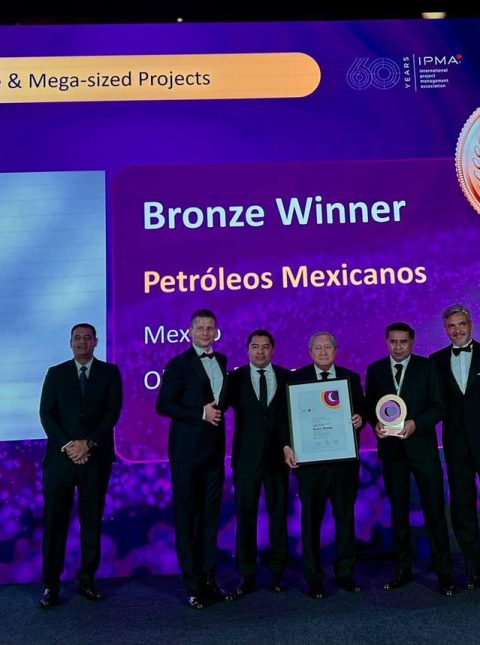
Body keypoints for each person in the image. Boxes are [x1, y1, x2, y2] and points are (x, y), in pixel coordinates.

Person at [365, 321, 455, 595]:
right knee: (398, 513)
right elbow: (370, 407)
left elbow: (440, 407)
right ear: (386, 341)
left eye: (403, 341)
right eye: (393, 341)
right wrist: (375, 424)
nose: (398, 347)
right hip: (392, 453)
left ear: (412, 342)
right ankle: (402, 571)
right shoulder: (375, 370)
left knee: (435, 511)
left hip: (423, 450)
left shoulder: (428, 368)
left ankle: (444, 574)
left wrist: (416, 423)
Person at [39, 323, 123, 608]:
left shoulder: (110, 373)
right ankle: (51, 586)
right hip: (60, 461)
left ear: (96, 342)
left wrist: (88, 444)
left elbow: (112, 413)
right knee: (55, 523)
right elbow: (46, 414)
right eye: (77, 338)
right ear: (70, 342)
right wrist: (70, 446)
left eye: (87, 338)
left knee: (91, 521)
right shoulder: (56, 373)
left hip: (95, 459)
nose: (82, 342)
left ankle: (87, 581)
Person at [156, 309, 232, 609]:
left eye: (210, 328)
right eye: (200, 328)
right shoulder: (178, 364)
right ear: (190, 331)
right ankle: (192, 586)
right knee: (187, 519)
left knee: (211, 519)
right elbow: (164, 405)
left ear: (216, 331)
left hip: (214, 453)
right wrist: (200, 413)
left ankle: (209, 579)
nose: (205, 333)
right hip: (186, 454)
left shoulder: (223, 361)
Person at [284, 332, 365, 599]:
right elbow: (285, 419)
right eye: (317, 348)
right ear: (310, 352)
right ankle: (314, 578)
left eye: (327, 347)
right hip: (310, 466)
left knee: (345, 519)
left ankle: (345, 573)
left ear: (335, 350)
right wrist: (286, 446)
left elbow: (362, 411)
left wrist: (360, 419)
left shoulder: (351, 378)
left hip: (343, 464)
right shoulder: (296, 379)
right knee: (310, 522)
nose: (322, 352)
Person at [227, 329, 290, 596]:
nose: (260, 351)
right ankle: (247, 574)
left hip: (278, 458)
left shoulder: (287, 377)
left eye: (265, 346)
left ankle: (278, 573)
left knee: (278, 516)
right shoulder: (235, 378)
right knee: (245, 517)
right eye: (255, 346)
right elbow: (217, 405)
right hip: (246, 459)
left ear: (273, 349)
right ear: (248, 350)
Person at [430, 304, 480, 589]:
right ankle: (475, 569)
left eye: (461, 324)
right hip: (455, 445)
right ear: (445, 329)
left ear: (470, 324)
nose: (457, 330)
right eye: (451, 326)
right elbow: (432, 401)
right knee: (462, 507)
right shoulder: (435, 360)